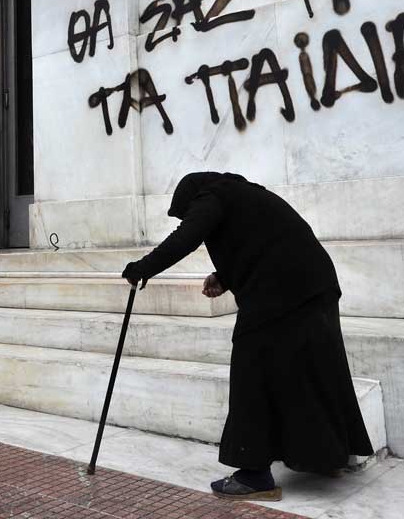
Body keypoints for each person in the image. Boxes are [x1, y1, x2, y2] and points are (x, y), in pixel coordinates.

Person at [121, 172, 373, 502]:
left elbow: (187, 237)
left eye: (186, 211)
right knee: (312, 371)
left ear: (192, 199)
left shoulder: (211, 196)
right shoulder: (244, 195)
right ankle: (327, 457)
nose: (189, 216)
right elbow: (260, 241)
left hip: (282, 291)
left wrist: (143, 267)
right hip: (314, 283)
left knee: (251, 371)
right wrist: (225, 276)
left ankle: (254, 475)